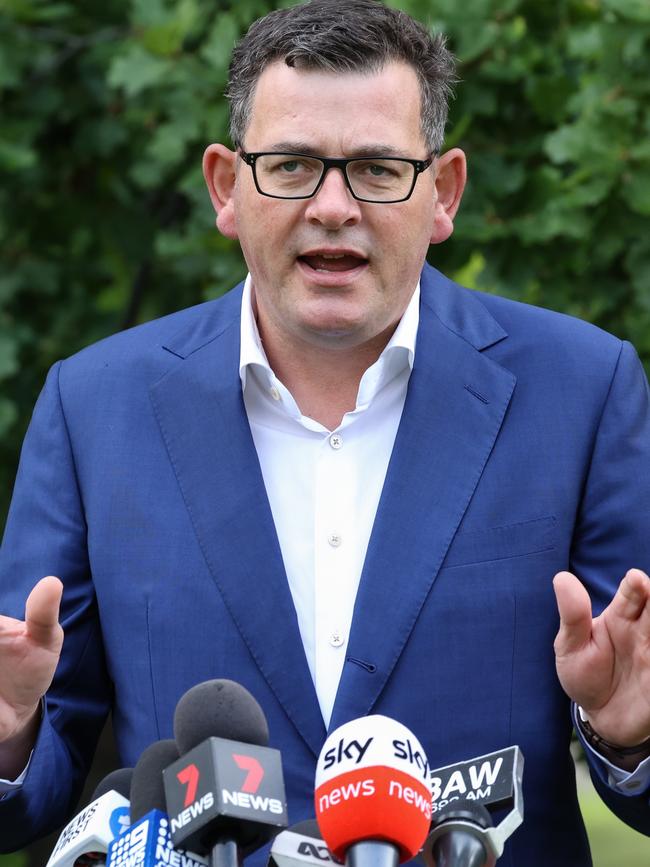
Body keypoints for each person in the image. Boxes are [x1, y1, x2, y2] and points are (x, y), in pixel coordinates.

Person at [0, 1, 649, 863]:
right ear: (227, 188)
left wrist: (630, 737)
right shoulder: (92, 407)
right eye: (294, 165)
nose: (333, 206)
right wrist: (8, 740)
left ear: (443, 192)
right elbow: (34, 783)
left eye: (378, 169)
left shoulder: (584, 388)